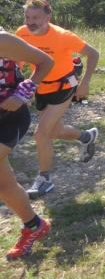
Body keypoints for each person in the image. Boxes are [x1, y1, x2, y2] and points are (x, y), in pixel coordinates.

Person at [15, 0, 99, 198]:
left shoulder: (63, 36)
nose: (31, 21)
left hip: (64, 86)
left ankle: (44, 179)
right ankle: (86, 137)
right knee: (54, 131)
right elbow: (17, 60)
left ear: (48, 17)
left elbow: (93, 54)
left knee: (41, 134)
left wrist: (85, 82)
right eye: (27, 17)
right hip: (41, 86)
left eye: (36, 17)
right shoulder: (22, 33)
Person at [0, 32, 54, 260]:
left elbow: (46, 62)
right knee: (4, 186)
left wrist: (23, 93)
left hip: (9, 117)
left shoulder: (2, 40)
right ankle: (34, 225)